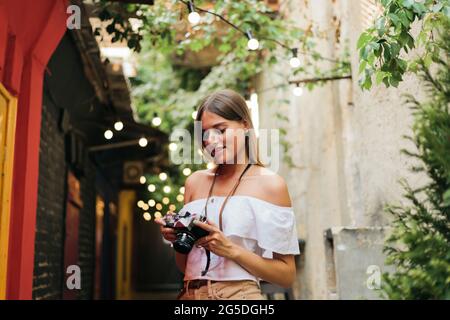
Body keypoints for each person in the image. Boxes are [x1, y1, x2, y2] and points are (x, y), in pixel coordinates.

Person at [156, 89, 300, 300]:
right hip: (190, 294)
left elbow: (286, 275)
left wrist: (231, 250)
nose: (211, 140)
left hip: (239, 296)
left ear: (245, 125)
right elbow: (184, 266)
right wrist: (178, 239)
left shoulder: (271, 185)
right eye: (205, 134)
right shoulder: (194, 183)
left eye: (221, 130)